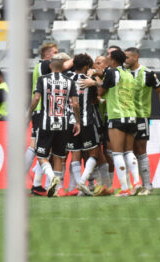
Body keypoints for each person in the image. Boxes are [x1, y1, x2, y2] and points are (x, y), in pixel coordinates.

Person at [80, 50, 142, 196]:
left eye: (108, 57)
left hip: (117, 116)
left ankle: (125, 189)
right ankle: (136, 183)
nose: (107, 59)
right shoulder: (128, 74)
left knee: (117, 153)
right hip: (131, 115)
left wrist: (92, 82)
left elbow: (103, 89)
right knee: (129, 152)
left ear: (113, 60)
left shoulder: (113, 73)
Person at [28, 53, 81, 197]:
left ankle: (52, 178)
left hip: (46, 122)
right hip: (63, 123)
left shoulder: (42, 79)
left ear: (51, 65)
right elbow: (75, 104)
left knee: (41, 155)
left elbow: (36, 98)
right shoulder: (70, 81)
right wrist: (77, 121)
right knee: (58, 156)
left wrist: (28, 113)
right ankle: (58, 190)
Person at [124, 47, 160, 195]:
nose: (125, 60)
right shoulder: (122, 73)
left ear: (136, 57)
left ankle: (147, 184)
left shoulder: (148, 74)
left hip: (141, 116)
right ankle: (134, 184)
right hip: (125, 116)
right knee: (129, 151)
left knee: (141, 149)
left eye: (128, 57)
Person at [65, 54, 106, 196]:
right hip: (86, 121)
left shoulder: (67, 77)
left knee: (75, 155)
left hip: (69, 122)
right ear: (86, 67)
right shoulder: (90, 80)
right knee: (94, 153)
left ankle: (78, 188)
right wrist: (95, 81)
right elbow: (103, 87)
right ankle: (82, 182)